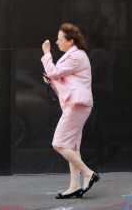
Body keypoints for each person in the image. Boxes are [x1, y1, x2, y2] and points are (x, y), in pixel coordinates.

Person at [41, 22, 100, 199]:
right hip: (76, 104)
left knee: (58, 143)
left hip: (77, 105)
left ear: (70, 41)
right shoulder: (74, 56)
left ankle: (88, 173)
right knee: (72, 147)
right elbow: (62, 80)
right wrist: (51, 81)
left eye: (59, 39)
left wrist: (46, 53)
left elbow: (54, 72)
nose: (56, 42)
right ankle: (75, 185)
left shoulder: (76, 56)